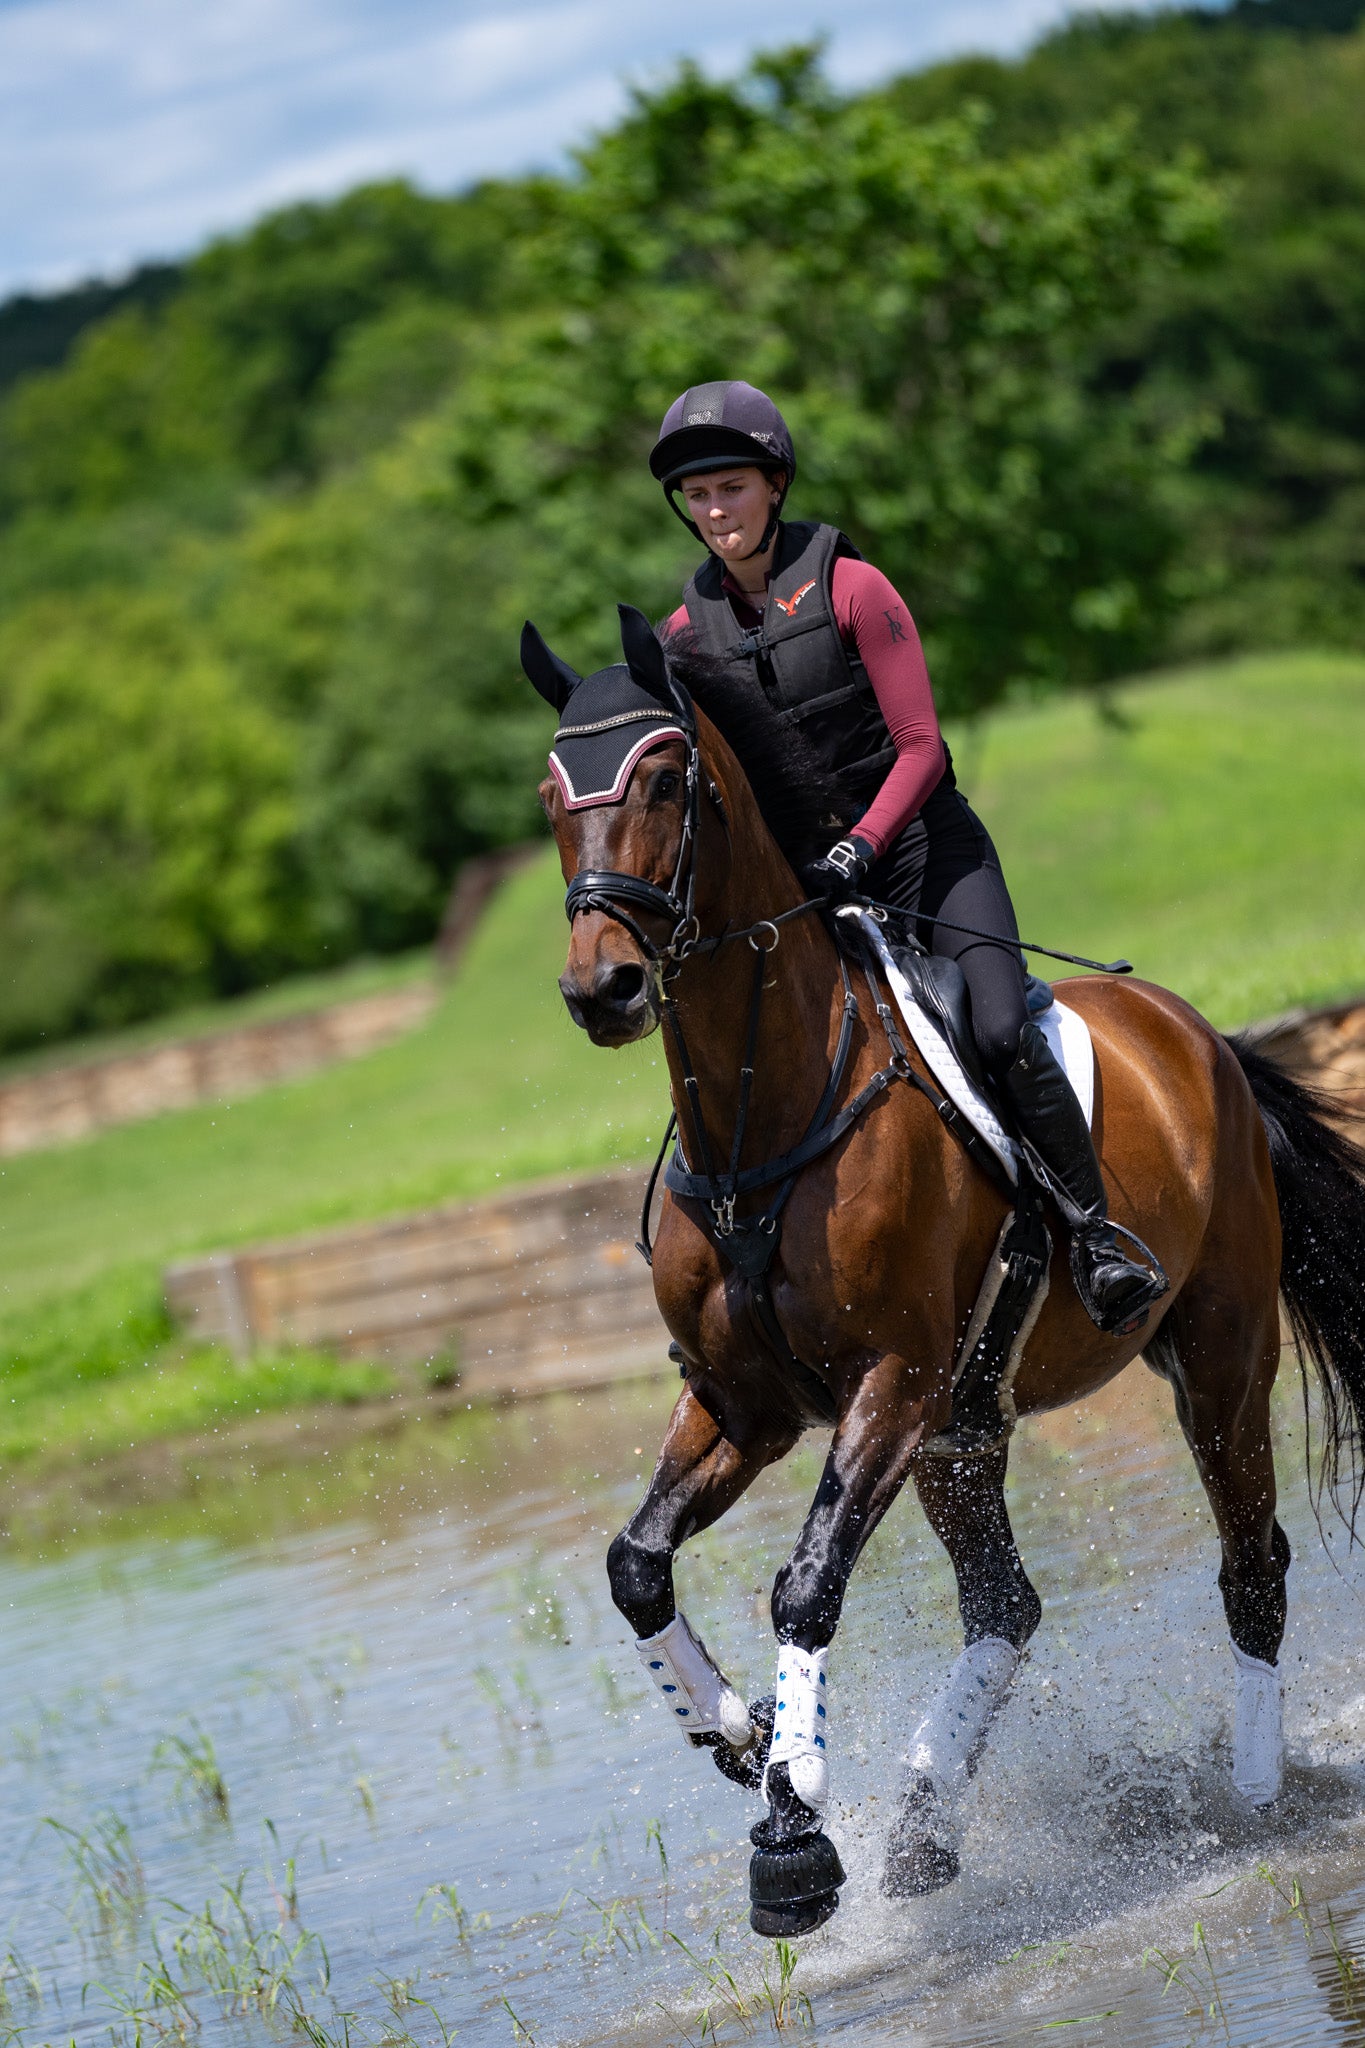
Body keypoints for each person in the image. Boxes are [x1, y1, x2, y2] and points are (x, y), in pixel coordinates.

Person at [650, 378, 1165, 1337]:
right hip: (811, 896)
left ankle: (1096, 1238)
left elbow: (922, 747)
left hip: (926, 858)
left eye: (730, 487)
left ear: (774, 484)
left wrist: (860, 845)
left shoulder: (854, 587)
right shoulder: (683, 639)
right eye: (697, 496)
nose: (714, 510)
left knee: (1004, 1030)